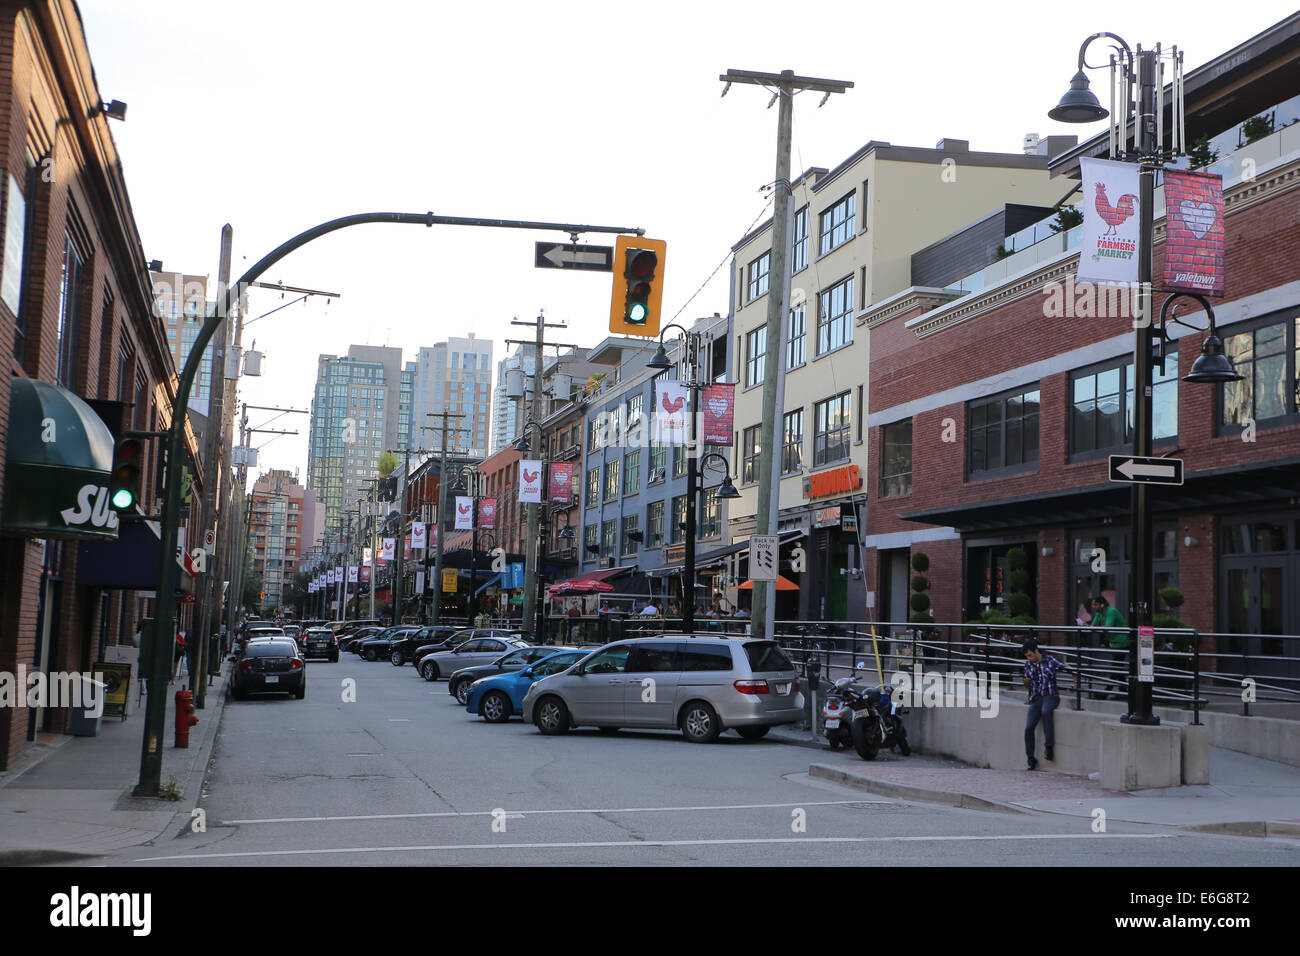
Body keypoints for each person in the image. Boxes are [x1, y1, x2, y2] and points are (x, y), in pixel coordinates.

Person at [1021, 639, 1074, 770]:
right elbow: (1027, 684)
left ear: (1036, 650)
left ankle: (1049, 747)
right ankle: (1030, 758)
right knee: (1028, 728)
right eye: (1027, 656)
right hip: (1037, 698)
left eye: (1030, 655)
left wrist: (1075, 683)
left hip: (1051, 695)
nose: (1029, 658)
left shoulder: (1050, 660)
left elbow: (1069, 668)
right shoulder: (1028, 664)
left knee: (1046, 712)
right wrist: (1026, 682)